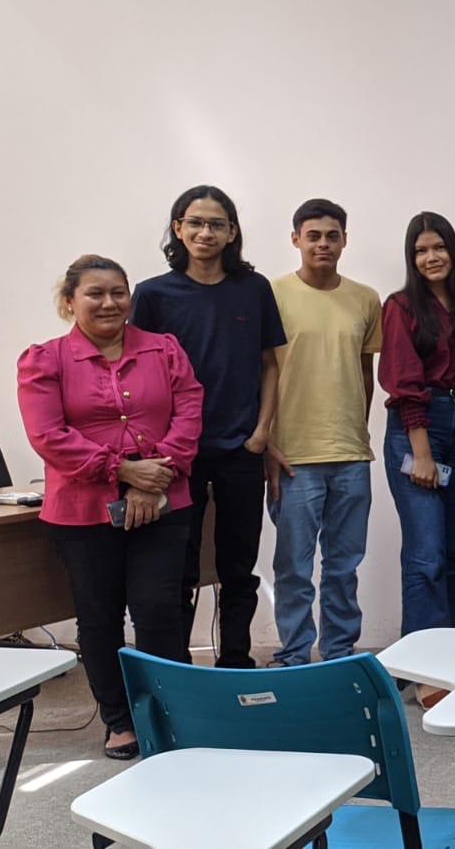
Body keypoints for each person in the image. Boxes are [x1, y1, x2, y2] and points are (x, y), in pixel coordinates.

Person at [17, 255, 204, 759]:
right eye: (95, 293)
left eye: (118, 292)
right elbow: (48, 436)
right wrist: (122, 471)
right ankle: (119, 721)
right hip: (82, 510)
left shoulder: (164, 350)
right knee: (99, 619)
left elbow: (189, 411)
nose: (108, 302)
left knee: (160, 611)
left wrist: (150, 480)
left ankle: (174, 713)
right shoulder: (46, 360)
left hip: (165, 500)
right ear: (69, 301)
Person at [131, 185, 285, 669]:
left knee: (239, 568)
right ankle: (178, 667)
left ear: (232, 232)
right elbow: (139, 373)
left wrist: (261, 433)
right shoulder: (153, 295)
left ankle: (236, 662)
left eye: (217, 223)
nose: (205, 231)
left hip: (241, 447)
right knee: (178, 567)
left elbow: (270, 364)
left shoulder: (253, 289)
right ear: (178, 228)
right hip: (177, 454)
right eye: (195, 222)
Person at [266, 198, 382, 666]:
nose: (323, 244)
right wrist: (266, 442)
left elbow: (365, 371)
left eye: (332, 236)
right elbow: (259, 372)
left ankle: (337, 653)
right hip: (292, 455)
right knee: (293, 567)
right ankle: (294, 656)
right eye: (313, 235)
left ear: (345, 241)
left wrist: (357, 431)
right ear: (295, 239)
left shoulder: (365, 298)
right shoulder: (271, 295)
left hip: (351, 454)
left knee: (343, 566)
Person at [378, 211, 455, 708]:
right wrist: (420, 451)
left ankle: (449, 657)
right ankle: (424, 668)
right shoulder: (400, 306)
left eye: (438, 247)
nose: (431, 257)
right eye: (420, 250)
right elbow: (402, 381)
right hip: (417, 430)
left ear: (453, 250)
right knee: (427, 554)